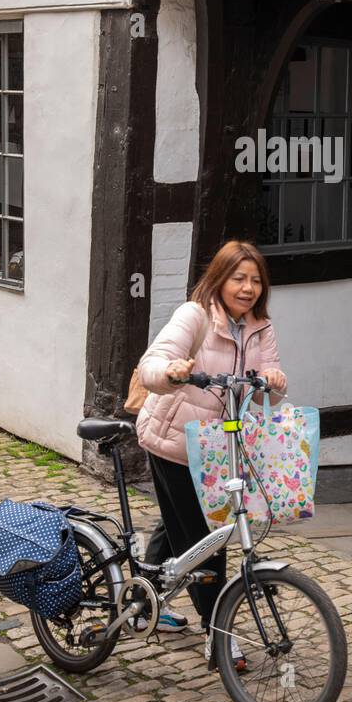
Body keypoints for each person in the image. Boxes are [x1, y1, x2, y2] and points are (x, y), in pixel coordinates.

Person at [135, 240, 287, 668]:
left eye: (256, 280)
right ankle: (217, 631)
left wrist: (274, 381)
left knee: (176, 523)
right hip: (175, 441)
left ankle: (146, 599)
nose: (248, 288)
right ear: (219, 278)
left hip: (220, 449)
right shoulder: (195, 315)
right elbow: (153, 363)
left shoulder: (260, 326)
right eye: (239, 278)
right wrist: (170, 371)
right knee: (206, 539)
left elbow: (270, 396)